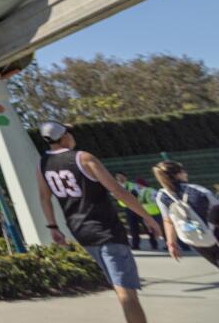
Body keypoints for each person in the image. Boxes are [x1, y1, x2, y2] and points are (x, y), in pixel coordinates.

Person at [37, 121, 160, 323]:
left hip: (79, 230)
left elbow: (44, 197)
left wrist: (53, 227)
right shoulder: (83, 158)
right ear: (64, 136)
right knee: (126, 292)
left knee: (117, 285)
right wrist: (147, 218)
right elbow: (118, 190)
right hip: (106, 229)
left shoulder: (42, 164)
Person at [152, 160, 219, 269]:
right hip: (215, 236)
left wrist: (171, 244)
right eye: (184, 171)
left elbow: (168, 221)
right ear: (178, 174)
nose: (186, 174)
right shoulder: (198, 191)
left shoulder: (162, 196)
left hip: (194, 238)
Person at [114, 172, 164, 251]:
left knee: (147, 227)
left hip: (138, 207)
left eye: (121, 177)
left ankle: (154, 244)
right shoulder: (116, 186)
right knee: (133, 228)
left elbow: (139, 193)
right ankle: (135, 245)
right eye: (118, 177)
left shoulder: (132, 185)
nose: (120, 178)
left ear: (125, 177)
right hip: (128, 209)